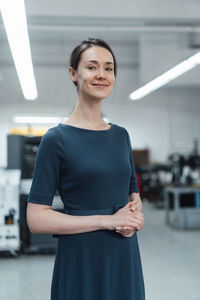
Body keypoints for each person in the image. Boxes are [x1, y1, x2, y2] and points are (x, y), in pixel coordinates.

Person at [26, 37, 145, 300]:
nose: (102, 74)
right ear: (73, 74)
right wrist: (107, 220)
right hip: (82, 258)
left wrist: (135, 219)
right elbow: (36, 219)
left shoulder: (121, 136)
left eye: (109, 68)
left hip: (124, 256)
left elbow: (132, 194)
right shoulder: (56, 139)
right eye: (92, 67)